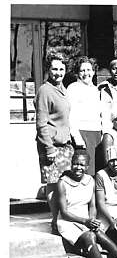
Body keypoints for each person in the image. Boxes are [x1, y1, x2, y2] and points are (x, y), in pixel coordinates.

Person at [56, 149, 117, 258]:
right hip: (68, 221)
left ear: (87, 166)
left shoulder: (90, 181)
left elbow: (92, 205)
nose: (78, 167)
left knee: (99, 233)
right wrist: (85, 222)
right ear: (71, 164)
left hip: (85, 218)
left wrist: (91, 219)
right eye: (75, 164)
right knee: (89, 236)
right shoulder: (63, 183)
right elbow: (64, 212)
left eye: (82, 165)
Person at [35, 52, 74, 234]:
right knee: (52, 184)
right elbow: (41, 123)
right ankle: (55, 222)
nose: (58, 73)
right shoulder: (45, 90)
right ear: (48, 70)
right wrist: (49, 148)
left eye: (61, 69)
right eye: (54, 69)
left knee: (63, 183)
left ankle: (62, 219)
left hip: (64, 145)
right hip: (50, 145)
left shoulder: (63, 88)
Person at [67, 56, 102, 176]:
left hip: (97, 133)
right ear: (77, 72)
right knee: (85, 170)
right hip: (82, 133)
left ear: (93, 71)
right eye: (82, 70)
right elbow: (70, 115)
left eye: (88, 70)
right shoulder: (73, 88)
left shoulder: (97, 90)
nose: (86, 73)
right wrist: (76, 136)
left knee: (98, 170)